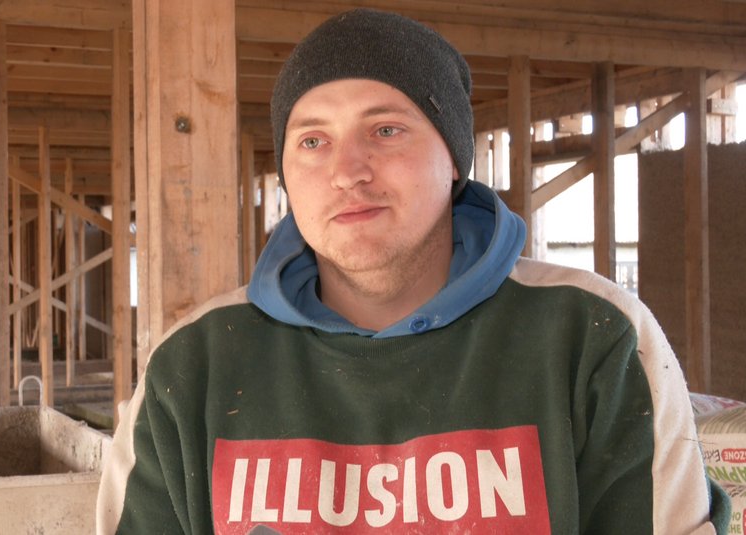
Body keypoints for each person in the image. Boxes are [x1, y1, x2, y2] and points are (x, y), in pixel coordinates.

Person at [98, 8, 729, 534]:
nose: (348, 171)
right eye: (313, 140)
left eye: (386, 130)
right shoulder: (195, 366)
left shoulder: (591, 337)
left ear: (454, 158)